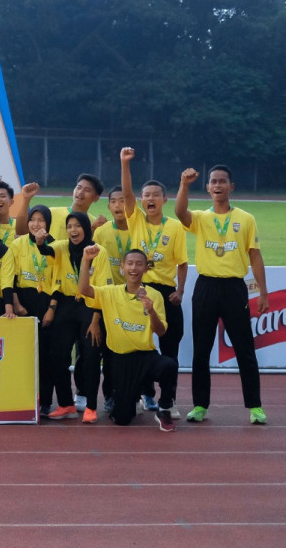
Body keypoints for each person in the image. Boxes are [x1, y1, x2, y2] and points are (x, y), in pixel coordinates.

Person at [175, 165, 268, 425]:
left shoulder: (246, 219)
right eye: (213, 181)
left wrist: (263, 292)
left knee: (244, 349)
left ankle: (255, 406)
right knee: (201, 350)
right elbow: (180, 213)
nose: (217, 185)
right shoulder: (201, 218)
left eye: (222, 181)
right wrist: (184, 184)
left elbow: (255, 256)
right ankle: (200, 405)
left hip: (234, 288)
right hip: (206, 287)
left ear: (231, 186)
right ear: (207, 188)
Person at [78, 246, 177, 431]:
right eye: (130, 263)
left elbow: (161, 332)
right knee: (122, 418)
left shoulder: (154, 295)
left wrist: (151, 311)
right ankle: (130, 399)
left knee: (169, 366)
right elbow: (83, 289)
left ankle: (164, 409)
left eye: (139, 264)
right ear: (122, 267)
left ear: (146, 268)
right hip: (121, 360)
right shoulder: (110, 292)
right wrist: (86, 260)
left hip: (146, 356)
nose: (134, 268)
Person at [121, 147, 188, 416]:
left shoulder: (174, 227)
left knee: (170, 347)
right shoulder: (136, 219)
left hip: (166, 292)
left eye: (155, 195)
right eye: (146, 195)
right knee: (140, 343)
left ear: (164, 200)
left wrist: (180, 291)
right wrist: (125, 164)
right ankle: (145, 393)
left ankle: (168, 400)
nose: (150, 199)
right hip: (140, 290)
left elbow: (182, 262)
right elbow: (127, 193)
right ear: (141, 200)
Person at [45, 211, 109, 422]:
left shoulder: (99, 251)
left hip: (90, 306)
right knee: (58, 356)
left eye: (78, 226)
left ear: (87, 228)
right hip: (66, 305)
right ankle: (65, 404)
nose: (73, 230)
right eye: (69, 226)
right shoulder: (61, 247)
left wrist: (96, 320)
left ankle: (91, 407)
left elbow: (102, 290)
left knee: (91, 357)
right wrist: (39, 239)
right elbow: (45, 249)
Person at [6, 205, 57, 414]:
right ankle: (20, 398)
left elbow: (59, 282)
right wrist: (17, 305)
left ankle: (45, 401)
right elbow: (10, 277)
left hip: (46, 303)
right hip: (23, 302)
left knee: (46, 355)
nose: (36, 224)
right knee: (21, 353)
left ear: (48, 223)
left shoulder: (56, 246)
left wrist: (51, 308)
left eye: (41, 220)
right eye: (32, 219)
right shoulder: (17, 244)